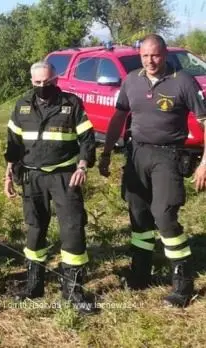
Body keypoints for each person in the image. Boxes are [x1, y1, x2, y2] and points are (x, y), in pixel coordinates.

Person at [99, 34, 206, 308]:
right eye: (145, 55)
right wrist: (107, 153)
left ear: (165, 53)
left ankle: (182, 282)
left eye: (155, 55)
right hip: (136, 154)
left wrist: (204, 163)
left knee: (164, 215)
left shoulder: (183, 81)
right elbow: (119, 118)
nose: (150, 61)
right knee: (138, 214)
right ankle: (140, 273)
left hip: (168, 156)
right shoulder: (132, 80)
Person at [4, 61, 97, 315]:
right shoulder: (22, 106)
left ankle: (73, 290)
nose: (42, 87)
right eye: (37, 83)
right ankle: (34, 285)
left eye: (47, 82)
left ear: (56, 79)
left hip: (65, 175)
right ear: (31, 82)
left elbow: (87, 139)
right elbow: (12, 144)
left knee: (72, 228)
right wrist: (8, 174)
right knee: (35, 228)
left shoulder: (71, 104)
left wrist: (82, 166)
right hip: (32, 177)